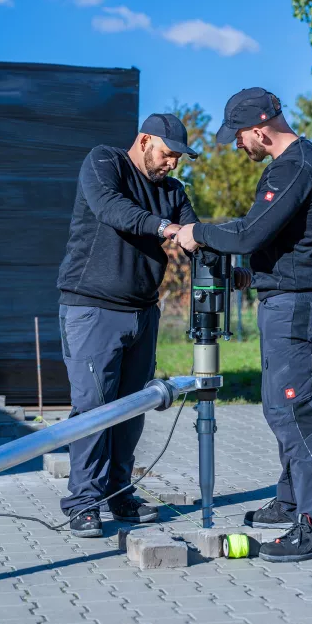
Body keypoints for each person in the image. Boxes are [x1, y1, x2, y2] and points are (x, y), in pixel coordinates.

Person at [175, 87, 312, 562]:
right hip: (286, 298)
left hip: (297, 307)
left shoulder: (294, 166)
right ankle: (291, 500)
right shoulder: (295, 164)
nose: (236, 146)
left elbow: (250, 231)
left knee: (293, 412)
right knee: (278, 406)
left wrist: (196, 232)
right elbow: (282, 240)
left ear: (259, 129)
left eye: (238, 137)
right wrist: (258, 272)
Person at [57, 113, 201, 537]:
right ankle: (83, 501)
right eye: (168, 154)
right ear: (144, 141)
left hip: (143, 311)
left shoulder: (173, 191)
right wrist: (166, 227)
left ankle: (118, 493)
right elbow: (112, 209)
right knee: (93, 409)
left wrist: (230, 261)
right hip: (92, 308)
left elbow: (193, 235)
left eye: (178, 158)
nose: (172, 164)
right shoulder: (105, 163)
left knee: (132, 409)